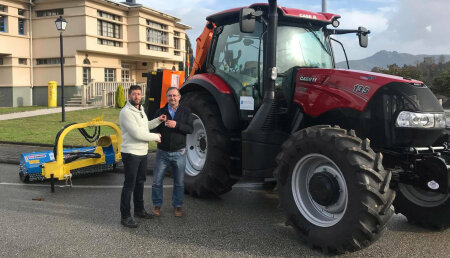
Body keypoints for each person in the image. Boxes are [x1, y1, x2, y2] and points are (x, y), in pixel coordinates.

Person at [119, 85, 166, 228]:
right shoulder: (126, 112)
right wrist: (155, 136)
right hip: (131, 154)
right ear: (129, 96)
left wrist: (158, 120)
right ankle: (125, 216)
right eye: (134, 94)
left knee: (140, 183)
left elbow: (145, 127)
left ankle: (139, 210)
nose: (137, 97)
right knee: (129, 185)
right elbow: (137, 134)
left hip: (142, 153)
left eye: (139, 94)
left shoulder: (141, 110)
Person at [151, 87, 193, 217]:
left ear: (179, 97)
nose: (172, 98)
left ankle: (178, 206)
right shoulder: (160, 111)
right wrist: (155, 134)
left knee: (179, 182)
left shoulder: (186, 112)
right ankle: (157, 205)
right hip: (162, 152)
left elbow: (190, 129)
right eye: (170, 96)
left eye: (175, 95)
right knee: (157, 181)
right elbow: (152, 127)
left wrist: (177, 125)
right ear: (167, 97)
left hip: (179, 152)